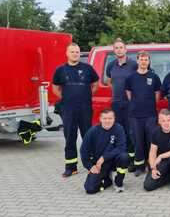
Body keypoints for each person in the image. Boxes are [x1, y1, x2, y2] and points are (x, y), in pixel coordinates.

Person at [52, 43, 99, 178]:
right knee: (70, 138)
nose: (75, 54)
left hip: (85, 108)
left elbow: (95, 84)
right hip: (68, 110)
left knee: (88, 137)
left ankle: (91, 164)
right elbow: (55, 88)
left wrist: (88, 95)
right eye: (72, 52)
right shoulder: (60, 70)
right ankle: (71, 167)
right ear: (67, 53)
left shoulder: (88, 68)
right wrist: (65, 98)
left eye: (77, 52)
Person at [125, 51, 161, 176]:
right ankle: (139, 166)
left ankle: (151, 165)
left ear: (149, 61)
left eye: (146, 60)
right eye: (141, 59)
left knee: (151, 140)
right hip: (135, 115)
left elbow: (157, 95)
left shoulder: (154, 77)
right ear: (138, 61)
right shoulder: (131, 77)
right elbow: (129, 94)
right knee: (138, 141)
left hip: (150, 114)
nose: (144, 62)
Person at [105, 38, 138, 171]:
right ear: (114, 50)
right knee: (118, 131)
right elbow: (109, 81)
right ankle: (119, 158)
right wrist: (115, 90)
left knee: (131, 132)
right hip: (116, 103)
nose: (119, 50)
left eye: (121, 47)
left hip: (130, 103)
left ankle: (131, 160)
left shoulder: (133, 65)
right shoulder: (111, 65)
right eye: (116, 48)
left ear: (125, 49)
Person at [80, 109, 130, 194]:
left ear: (114, 119)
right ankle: (108, 180)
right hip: (100, 165)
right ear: (100, 119)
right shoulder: (93, 131)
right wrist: (90, 166)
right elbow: (83, 150)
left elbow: (121, 148)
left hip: (114, 161)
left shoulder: (118, 129)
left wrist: (103, 157)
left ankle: (118, 181)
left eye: (110, 118)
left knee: (124, 157)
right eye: (105, 118)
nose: (107, 121)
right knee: (90, 189)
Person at [144, 109, 170, 192]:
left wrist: (161, 156)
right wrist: (153, 168)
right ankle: (169, 176)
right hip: (163, 162)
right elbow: (152, 152)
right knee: (148, 186)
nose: (166, 123)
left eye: (168, 120)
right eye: (163, 120)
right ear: (159, 121)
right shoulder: (155, 132)